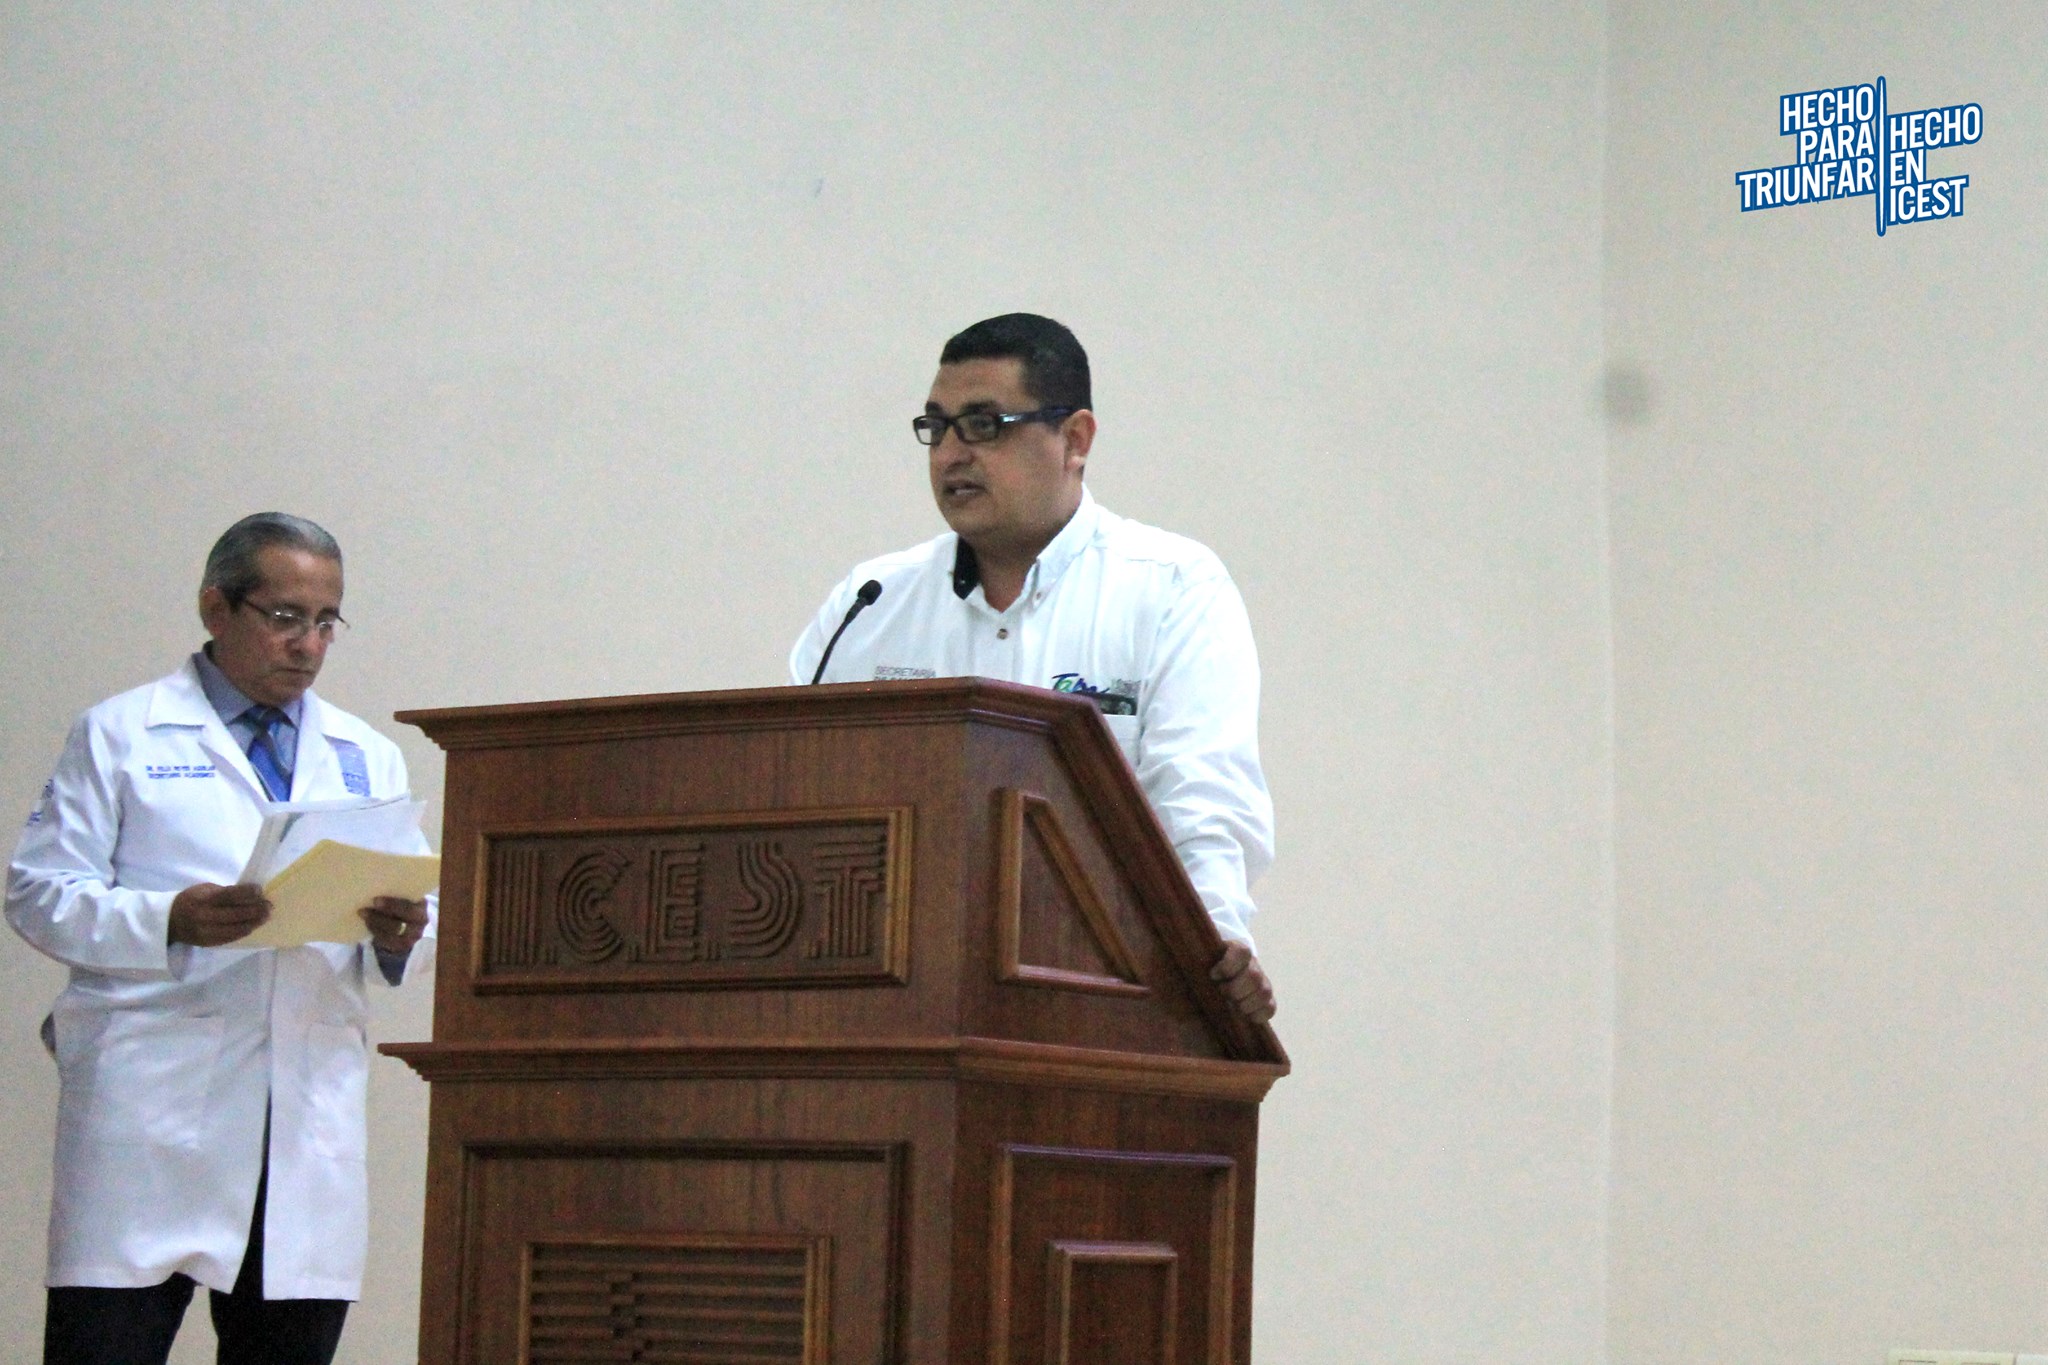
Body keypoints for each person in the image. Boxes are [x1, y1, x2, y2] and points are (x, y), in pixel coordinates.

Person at [6, 512, 435, 1365]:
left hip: (302, 1118)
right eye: (284, 616)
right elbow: (39, 892)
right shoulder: (120, 732)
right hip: (154, 1112)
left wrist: (402, 933)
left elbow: (415, 919)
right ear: (215, 607)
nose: (308, 644)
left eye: (326, 622)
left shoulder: (366, 754)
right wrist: (170, 918)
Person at [790, 313, 1276, 1022]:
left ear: (1075, 439)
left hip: (1107, 999)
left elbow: (1201, 798)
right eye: (937, 427)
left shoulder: (1169, 588)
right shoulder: (870, 603)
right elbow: (799, 799)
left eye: (983, 425)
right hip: (895, 1005)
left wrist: (1214, 949)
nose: (950, 454)